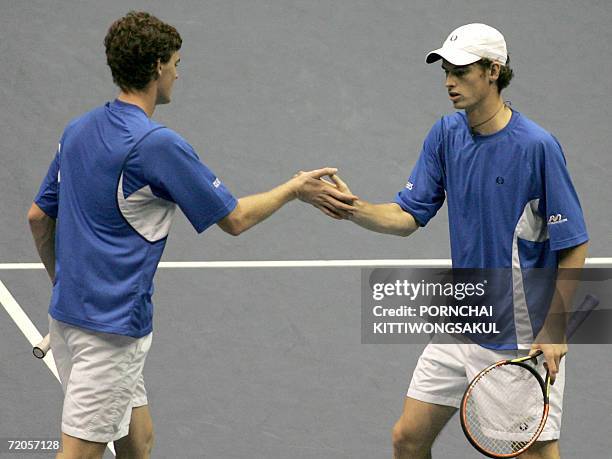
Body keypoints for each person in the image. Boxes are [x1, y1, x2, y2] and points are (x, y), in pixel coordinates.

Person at [27, 11, 356, 459]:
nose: (179, 74)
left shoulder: (77, 130)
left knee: (137, 444)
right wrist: (295, 188)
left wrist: (65, 287)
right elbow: (235, 218)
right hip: (111, 332)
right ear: (159, 66)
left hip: (68, 320)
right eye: (177, 62)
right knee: (79, 453)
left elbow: (38, 218)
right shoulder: (156, 145)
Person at [326, 23, 589, 459]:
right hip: (464, 317)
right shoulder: (446, 135)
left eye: (462, 71)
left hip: (515, 332)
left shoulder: (537, 148)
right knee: (408, 439)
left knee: (530, 454)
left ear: (493, 71)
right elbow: (408, 215)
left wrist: (556, 325)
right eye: (446, 69)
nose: (449, 81)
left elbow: (574, 242)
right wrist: (351, 208)